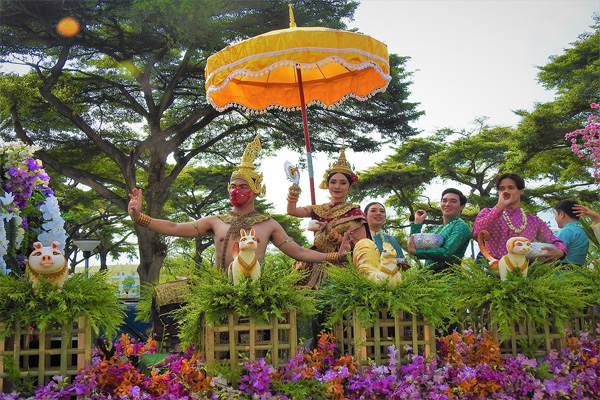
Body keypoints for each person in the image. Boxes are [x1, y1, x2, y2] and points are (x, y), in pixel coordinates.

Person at [127, 134, 351, 272]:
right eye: (233, 187)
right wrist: (140, 218)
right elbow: (176, 228)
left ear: (255, 191)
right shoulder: (215, 221)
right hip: (217, 292)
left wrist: (334, 256)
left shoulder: (268, 224)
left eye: (243, 187)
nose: (236, 191)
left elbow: (300, 252)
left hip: (254, 293)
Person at [286, 144, 368, 289]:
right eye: (333, 182)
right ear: (327, 184)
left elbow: (362, 247)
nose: (337, 186)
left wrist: (329, 231)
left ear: (349, 187)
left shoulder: (354, 213)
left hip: (339, 266)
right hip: (312, 261)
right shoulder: (318, 209)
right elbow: (292, 211)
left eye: (343, 183)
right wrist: (295, 187)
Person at [473, 172, 566, 262]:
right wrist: (499, 206)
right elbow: (477, 232)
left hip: (524, 272)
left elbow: (553, 240)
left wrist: (561, 251)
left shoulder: (533, 221)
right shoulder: (488, 213)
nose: (506, 191)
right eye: (502, 189)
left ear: (521, 191)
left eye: (511, 188)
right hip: (493, 269)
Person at [407, 188, 472, 273]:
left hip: (448, 279)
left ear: (462, 206)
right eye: (444, 201)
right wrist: (417, 223)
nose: (447, 204)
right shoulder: (436, 229)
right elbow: (414, 244)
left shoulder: (461, 226)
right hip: (428, 278)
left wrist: (416, 252)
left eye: (453, 201)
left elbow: (447, 253)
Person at [364, 202, 409, 269]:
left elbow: (402, 260)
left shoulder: (390, 240)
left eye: (382, 211)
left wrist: (397, 262)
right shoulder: (358, 237)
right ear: (365, 216)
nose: (378, 213)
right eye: (373, 211)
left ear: (385, 217)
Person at [554, 199, 589, 266]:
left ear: (561, 214)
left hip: (561, 273)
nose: (555, 218)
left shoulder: (566, 231)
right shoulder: (583, 231)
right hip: (579, 273)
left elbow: (552, 253)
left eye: (555, 215)